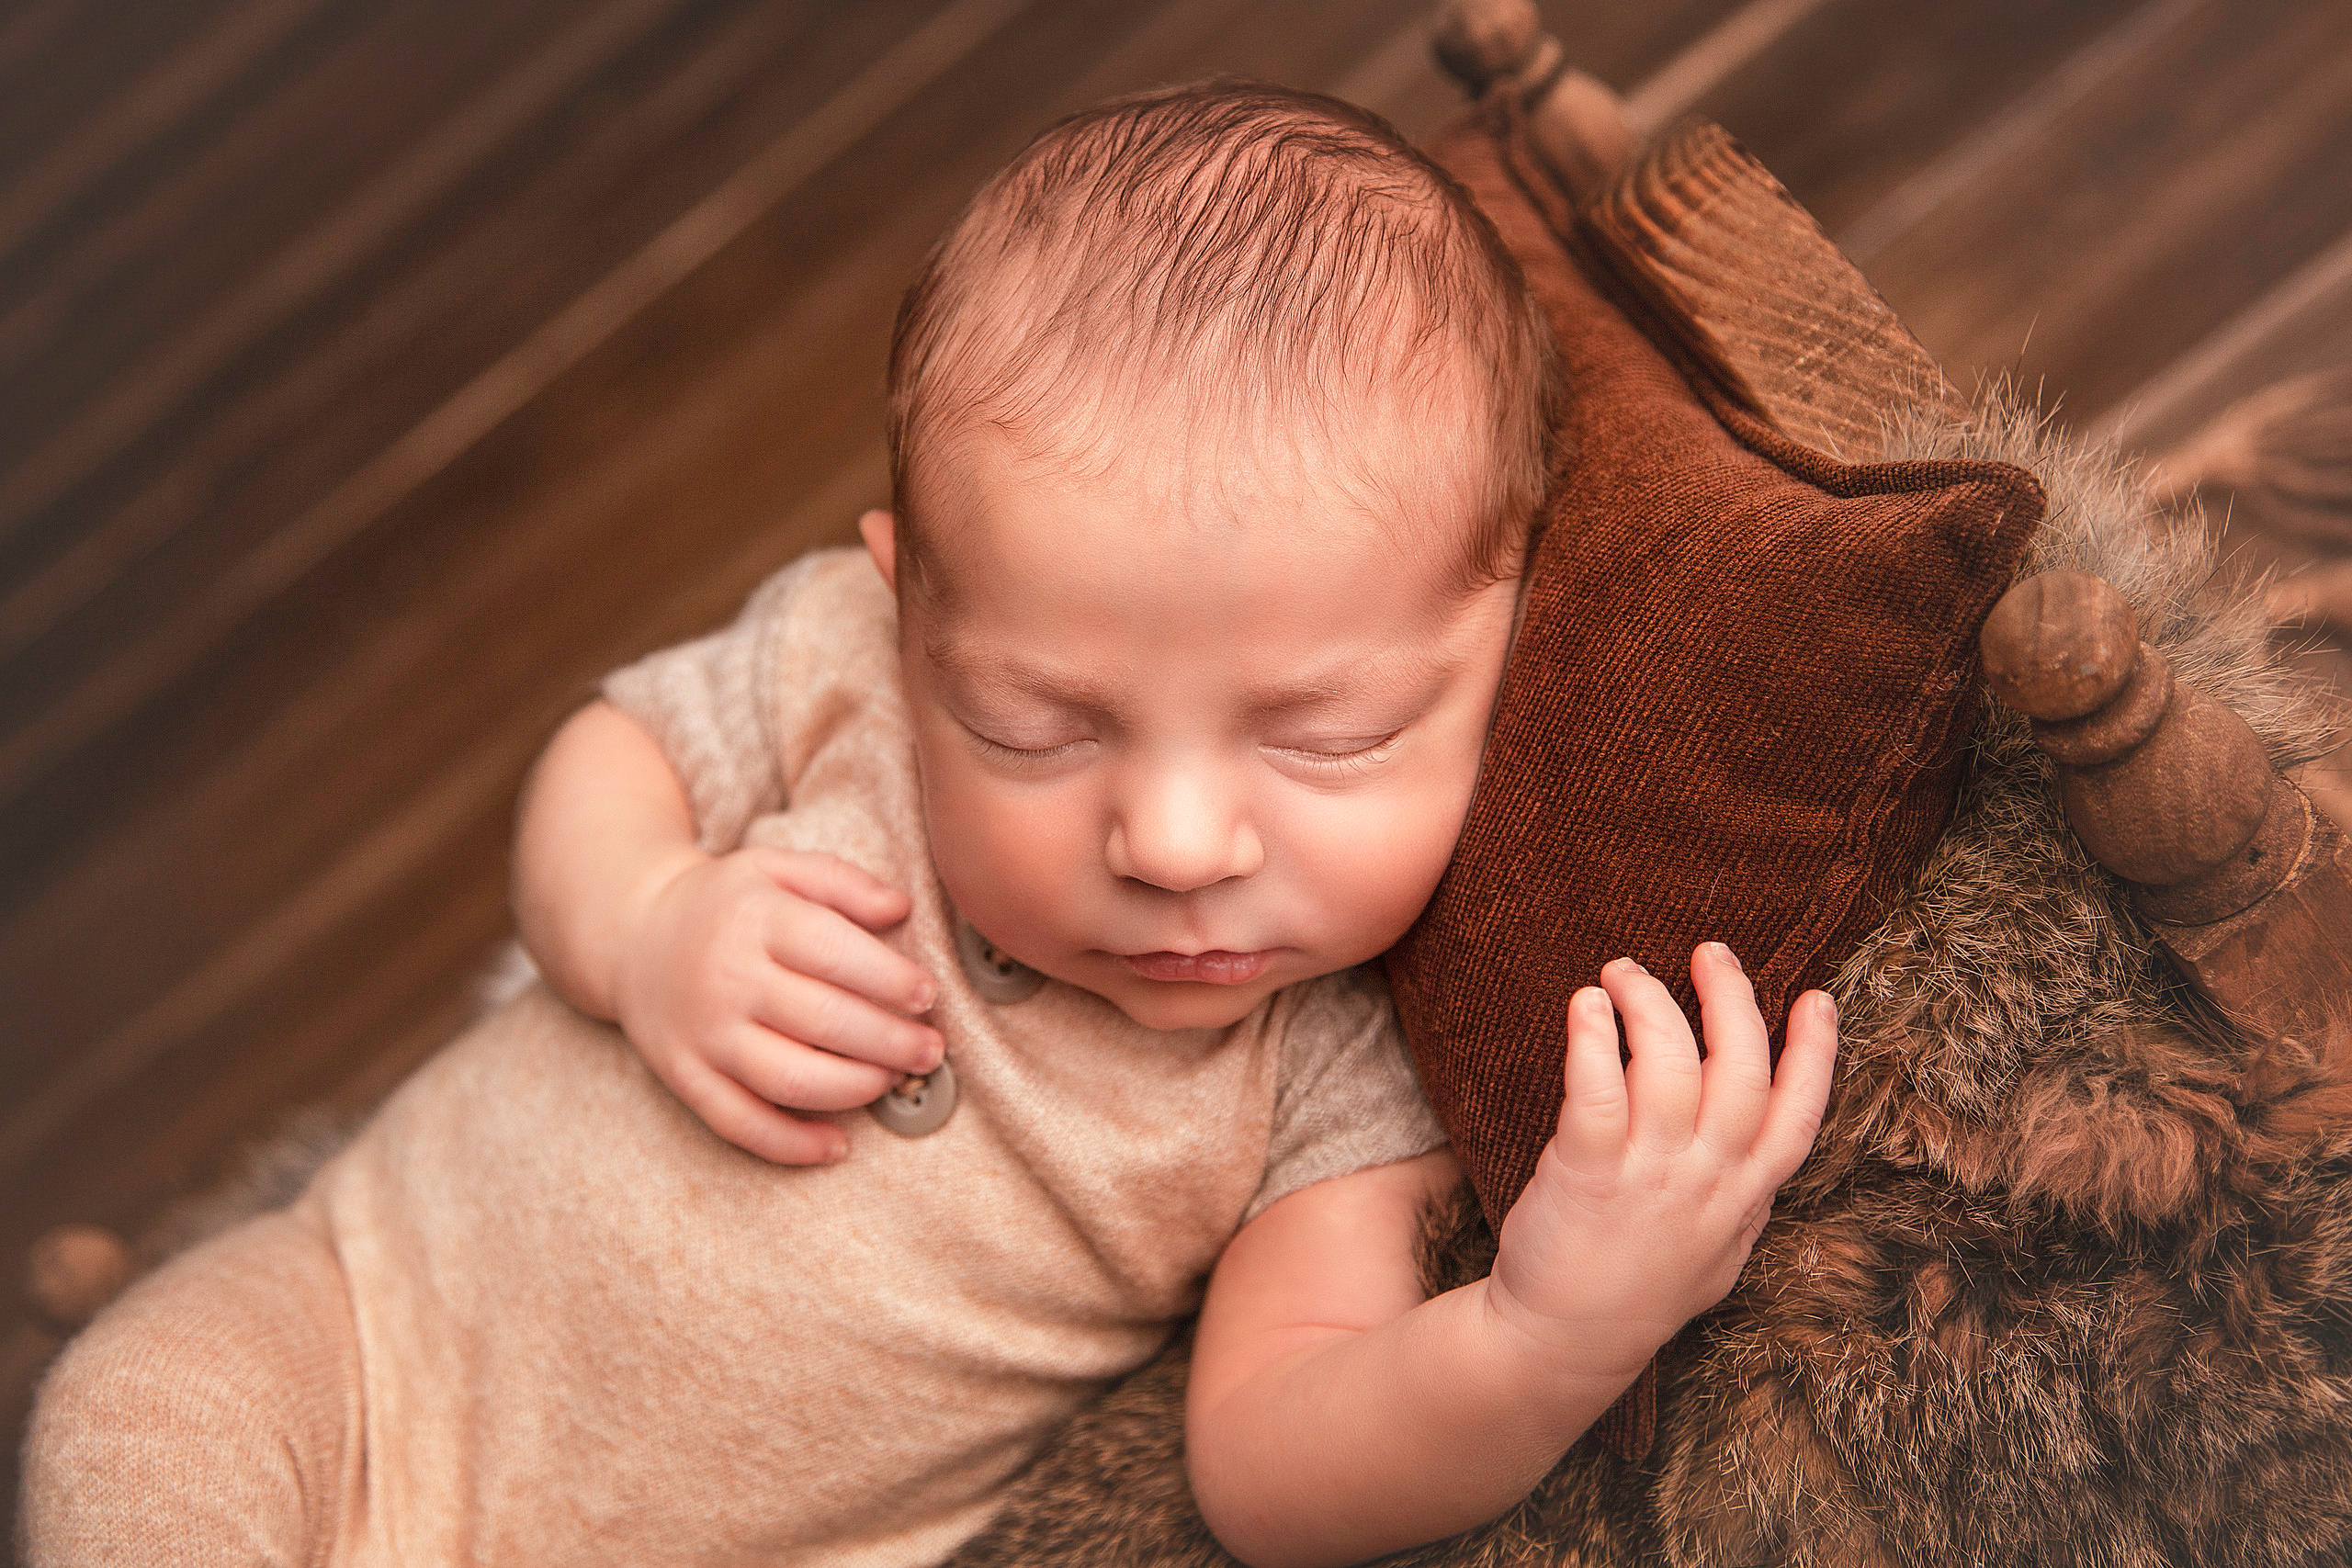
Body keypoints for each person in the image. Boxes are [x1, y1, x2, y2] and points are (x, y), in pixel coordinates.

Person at [22, 79, 1835, 1568]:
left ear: (1505, 642)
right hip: (356, 1326)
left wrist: (1543, 1330)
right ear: (907, 618)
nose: (1177, 836)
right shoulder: (841, 672)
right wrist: (647, 920)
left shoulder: (1322, 1078)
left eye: (1328, 732)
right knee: (136, 1410)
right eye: (1037, 725)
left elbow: (1272, 1462)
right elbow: (610, 756)